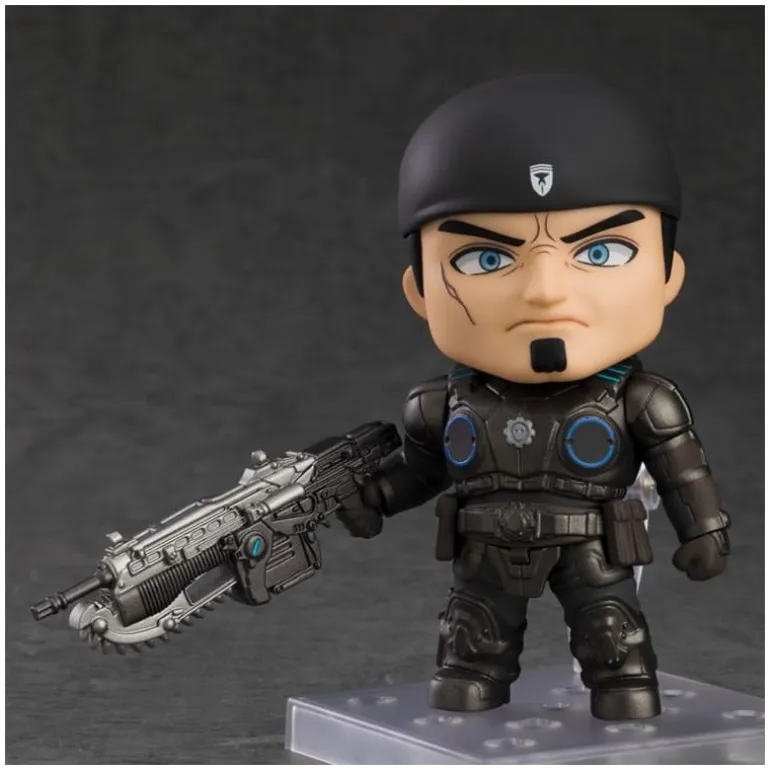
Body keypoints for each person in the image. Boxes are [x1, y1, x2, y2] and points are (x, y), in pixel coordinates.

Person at [336, 74, 731, 721]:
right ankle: (475, 680)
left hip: (592, 546)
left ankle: (621, 692)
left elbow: (683, 472)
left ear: (669, 275)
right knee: (469, 653)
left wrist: (705, 529)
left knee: (615, 651)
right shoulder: (443, 403)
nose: (546, 291)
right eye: (486, 260)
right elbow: (424, 470)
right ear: (419, 291)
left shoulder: (640, 400)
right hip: (484, 552)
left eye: (600, 251)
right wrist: (375, 496)